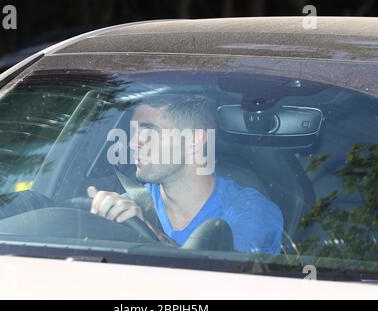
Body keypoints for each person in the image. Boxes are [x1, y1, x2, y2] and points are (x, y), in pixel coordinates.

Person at [88, 94, 284, 254]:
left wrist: (151, 235)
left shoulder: (251, 210)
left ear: (194, 141)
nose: (131, 144)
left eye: (148, 132)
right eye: (133, 132)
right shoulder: (130, 207)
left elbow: (221, 282)